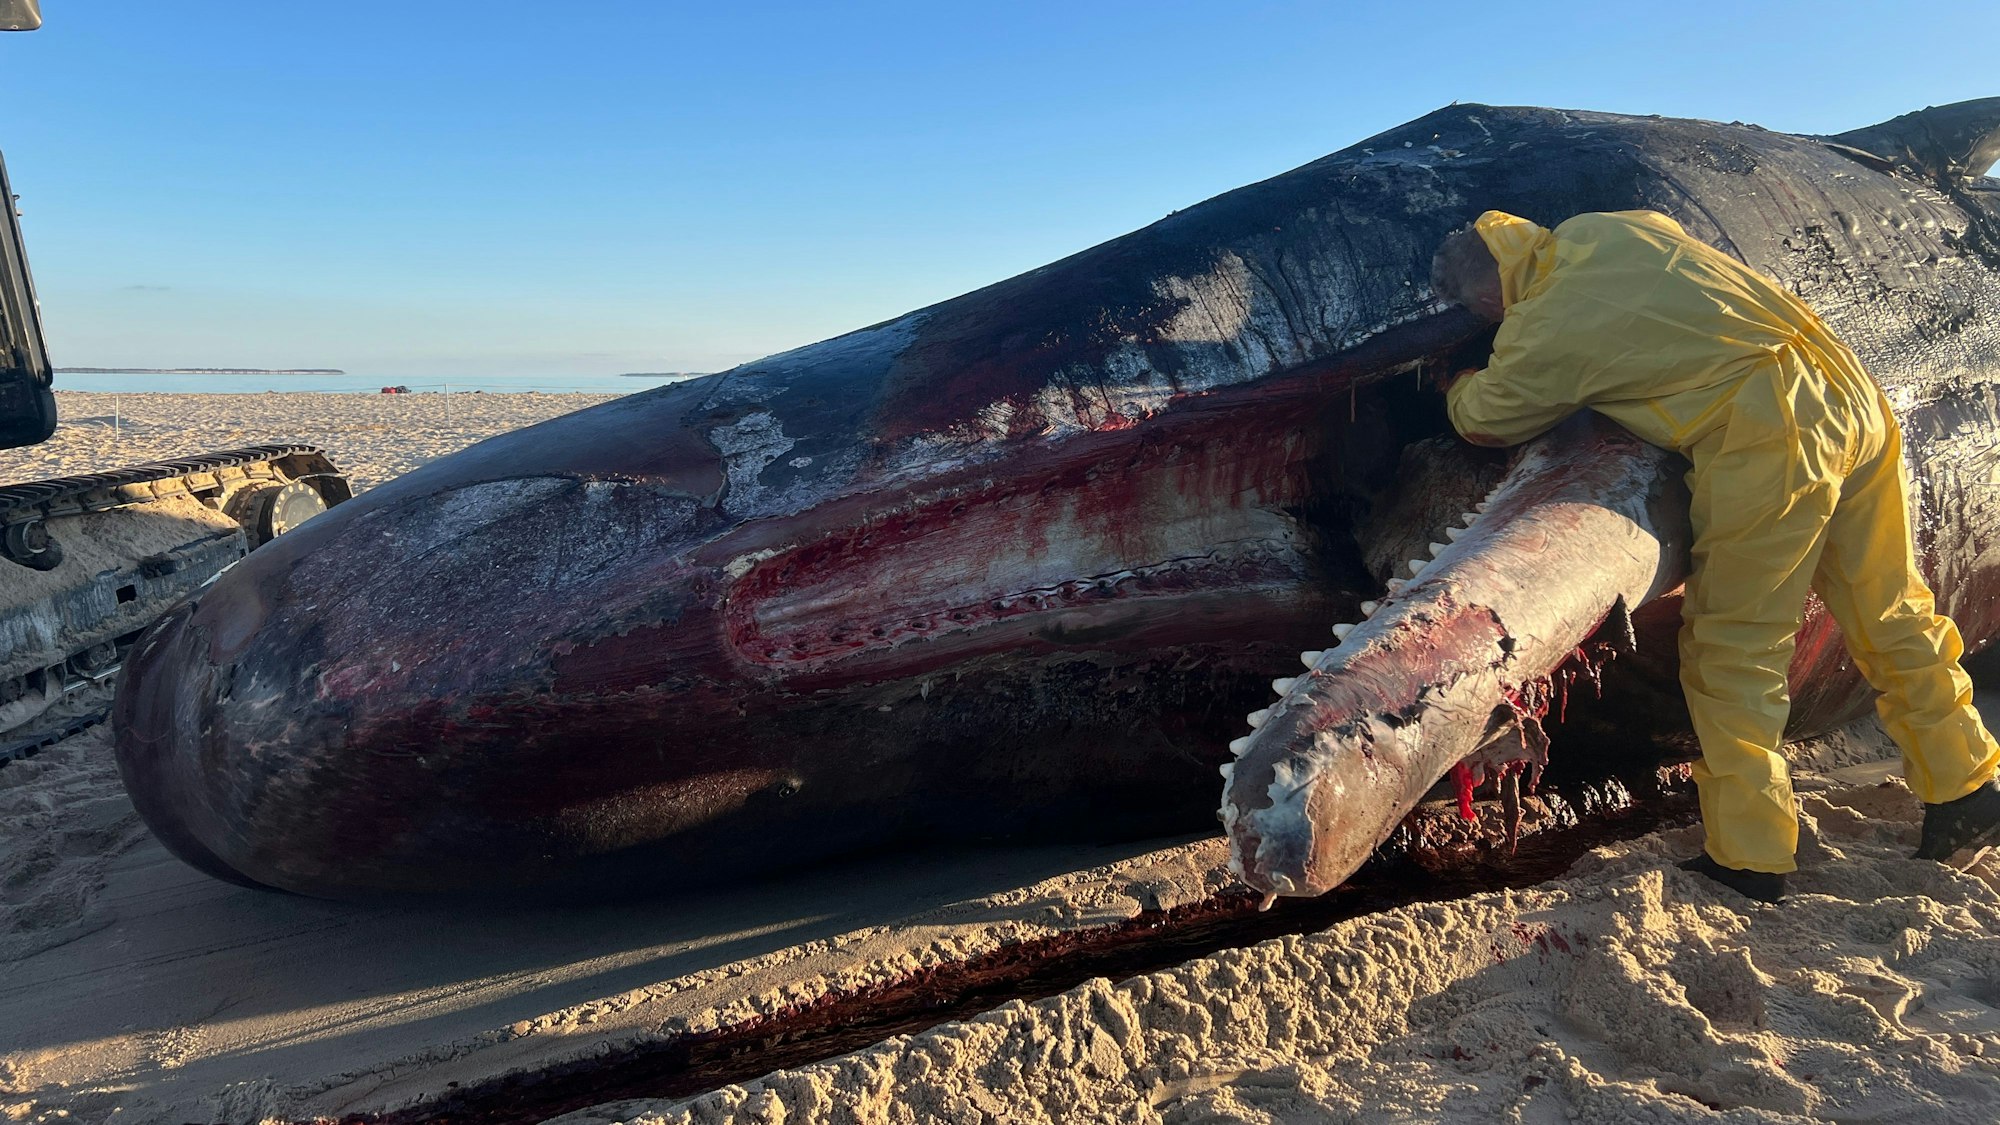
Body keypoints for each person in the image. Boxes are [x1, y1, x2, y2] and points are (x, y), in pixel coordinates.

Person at [1429, 208, 2000, 903]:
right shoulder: (1601, 229)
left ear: (1488, 294)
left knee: (1734, 648)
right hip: (1847, 388)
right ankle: (1966, 783)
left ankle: (1751, 854)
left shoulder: (1542, 322)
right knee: (1891, 609)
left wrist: (1452, 382)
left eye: (1474, 303)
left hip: (1772, 428)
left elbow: (1488, 416)